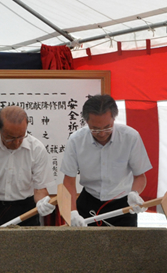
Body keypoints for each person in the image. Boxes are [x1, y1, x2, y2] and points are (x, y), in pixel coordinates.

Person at [60, 94, 152, 227]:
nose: (102, 133)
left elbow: (140, 176)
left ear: (114, 119)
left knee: (125, 246)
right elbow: (68, 181)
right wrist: (72, 212)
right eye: (95, 129)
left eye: (107, 127)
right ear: (86, 122)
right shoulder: (76, 140)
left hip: (123, 204)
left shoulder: (130, 137)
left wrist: (134, 193)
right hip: (88, 202)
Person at [0, 106, 56, 227]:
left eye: (21, 136)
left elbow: (40, 189)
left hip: (25, 209)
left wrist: (42, 202)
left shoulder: (37, 149)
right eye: (10, 138)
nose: (17, 142)